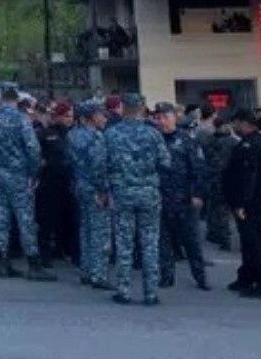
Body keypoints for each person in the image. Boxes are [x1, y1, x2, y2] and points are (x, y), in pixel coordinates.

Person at [0, 86, 53, 281]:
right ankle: (33, 264)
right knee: (25, 218)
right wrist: (34, 172)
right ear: (15, 99)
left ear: (0, 98)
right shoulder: (21, 119)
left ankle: (3, 262)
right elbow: (33, 148)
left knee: (1, 215)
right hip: (19, 174)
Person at [105, 93, 171, 306]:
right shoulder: (153, 135)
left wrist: (104, 189)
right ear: (142, 108)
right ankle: (150, 293)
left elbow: (101, 165)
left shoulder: (111, 134)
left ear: (123, 107)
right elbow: (166, 162)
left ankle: (123, 291)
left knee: (124, 243)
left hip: (122, 193)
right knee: (150, 243)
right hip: (148, 193)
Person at [152, 102, 210, 290]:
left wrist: (198, 194)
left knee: (192, 241)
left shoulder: (187, 141)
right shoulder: (153, 141)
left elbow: (199, 169)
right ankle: (166, 276)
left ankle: (200, 277)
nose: (161, 121)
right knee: (163, 242)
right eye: (158, 117)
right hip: (160, 198)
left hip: (184, 199)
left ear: (174, 118)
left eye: (165, 117)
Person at [224, 108, 261, 298]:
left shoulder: (251, 146)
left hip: (254, 203)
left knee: (257, 244)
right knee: (249, 243)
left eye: (236, 124)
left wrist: (242, 204)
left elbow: (249, 178)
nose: (234, 127)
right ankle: (247, 278)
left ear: (243, 123)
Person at [67, 101, 111, 288]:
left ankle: (86, 270)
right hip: (94, 188)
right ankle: (98, 274)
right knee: (99, 231)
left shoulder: (72, 135)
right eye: (100, 114)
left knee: (85, 229)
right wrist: (102, 190)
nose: (104, 118)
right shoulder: (95, 137)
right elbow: (99, 167)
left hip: (80, 185)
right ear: (91, 117)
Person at [36, 101, 77, 266]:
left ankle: (61, 249)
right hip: (48, 182)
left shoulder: (71, 133)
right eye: (67, 116)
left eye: (71, 116)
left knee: (66, 218)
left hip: (66, 181)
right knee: (47, 220)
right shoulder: (44, 134)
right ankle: (44, 254)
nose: (70, 119)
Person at [202, 113, 237, 251]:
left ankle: (219, 236)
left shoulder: (208, 141)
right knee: (232, 210)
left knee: (216, 209)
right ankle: (227, 238)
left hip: (213, 179)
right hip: (231, 178)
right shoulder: (233, 141)